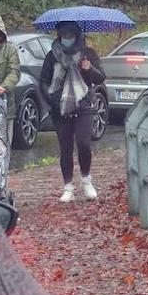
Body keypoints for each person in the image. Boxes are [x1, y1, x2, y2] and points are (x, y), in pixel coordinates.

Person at [40, 20, 106, 203]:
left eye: (70, 34)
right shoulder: (52, 56)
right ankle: (68, 186)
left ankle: (86, 180)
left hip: (84, 104)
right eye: (63, 34)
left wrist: (89, 68)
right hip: (59, 106)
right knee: (65, 147)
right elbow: (43, 81)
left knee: (84, 143)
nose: (67, 38)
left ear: (77, 35)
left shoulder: (88, 54)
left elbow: (100, 78)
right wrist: (52, 99)